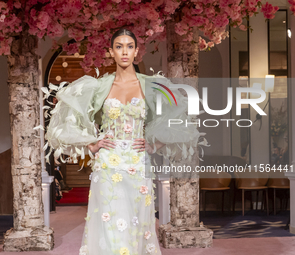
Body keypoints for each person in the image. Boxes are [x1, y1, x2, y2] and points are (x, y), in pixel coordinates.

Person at [45, 28, 200, 254]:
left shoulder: (152, 85)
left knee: (139, 221)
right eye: (119, 47)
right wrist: (91, 142)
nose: (124, 52)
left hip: (138, 163)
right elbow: (69, 114)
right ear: (111, 51)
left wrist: (154, 145)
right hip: (108, 163)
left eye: (129, 47)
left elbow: (180, 119)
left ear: (137, 51)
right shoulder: (99, 86)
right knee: (109, 220)